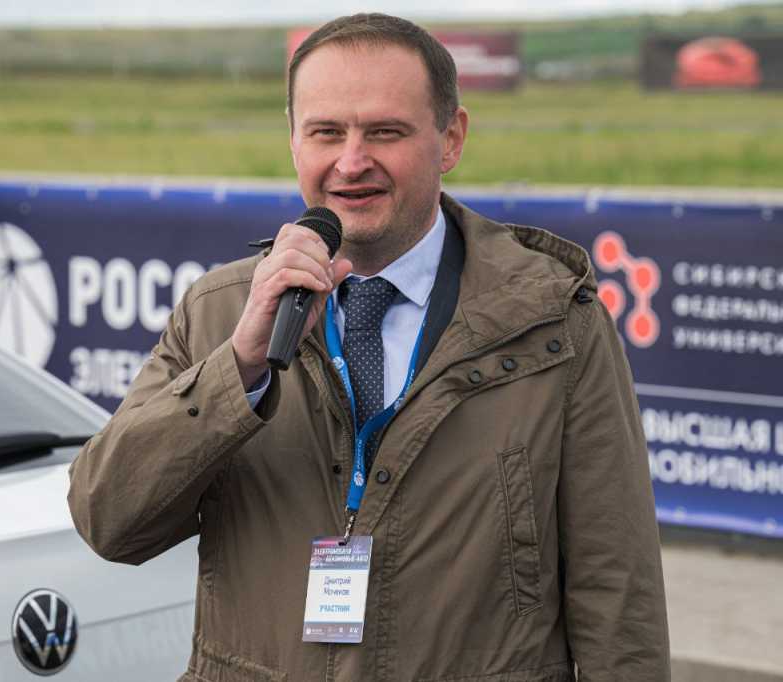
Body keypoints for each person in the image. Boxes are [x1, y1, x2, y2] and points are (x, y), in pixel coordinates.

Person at [68, 13, 670, 681]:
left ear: (451, 139)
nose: (352, 162)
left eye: (385, 131)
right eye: (326, 132)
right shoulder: (221, 314)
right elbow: (109, 521)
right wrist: (237, 369)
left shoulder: (553, 319)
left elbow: (619, 593)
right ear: (294, 141)